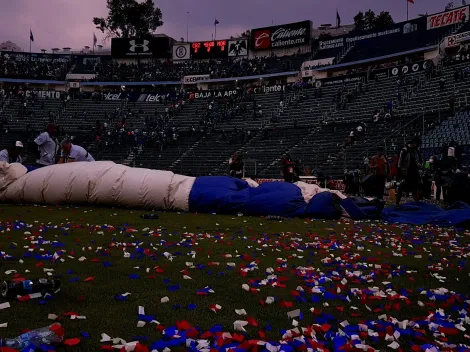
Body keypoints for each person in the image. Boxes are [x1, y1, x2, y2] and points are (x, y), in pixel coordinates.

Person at [395, 137, 423, 206]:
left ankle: (417, 204)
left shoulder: (416, 151)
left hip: (414, 172)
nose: (418, 146)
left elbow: (419, 161)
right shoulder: (404, 150)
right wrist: (398, 173)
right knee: (400, 188)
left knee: (414, 188)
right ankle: (397, 204)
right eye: (418, 144)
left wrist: (420, 169)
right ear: (414, 143)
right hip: (404, 172)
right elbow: (399, 162)